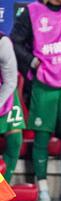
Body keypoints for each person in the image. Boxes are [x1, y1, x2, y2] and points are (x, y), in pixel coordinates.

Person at [10, 0, 61, 201]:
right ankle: (42, 187)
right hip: (45, 84)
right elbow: (15, 42)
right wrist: (32, 62)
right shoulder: (32, 12)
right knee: (42, 135)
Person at [0, 33, 25, 184]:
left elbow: (10, 81)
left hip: (4, 93)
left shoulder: (3, 43)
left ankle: (1, 191)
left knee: (15, 140)